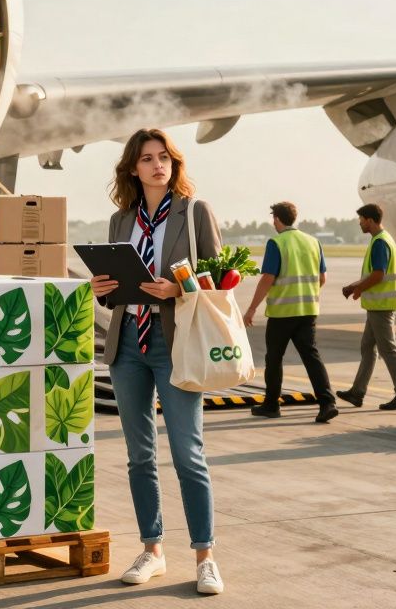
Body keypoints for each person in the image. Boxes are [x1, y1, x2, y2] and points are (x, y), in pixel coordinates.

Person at [90, 128, 225, 595]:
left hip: (176, 344)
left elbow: (223, 281)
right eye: (147, 158)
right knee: (139, 455)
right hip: (127, 343)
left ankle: (205, 556)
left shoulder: (194, 212)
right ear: (133, 168)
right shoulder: (120, 219)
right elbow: (116, 290)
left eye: (164, 157)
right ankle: (152, 549)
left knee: (188, 454)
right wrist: (101, 290)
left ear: (174, 163)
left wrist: (179, 289)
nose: (156, 165)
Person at [242, 201, 339, 423]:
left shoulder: (276, 243)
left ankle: (271, 405)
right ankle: (327, 403)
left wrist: (252, 308)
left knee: (274, 359)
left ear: (276, 219)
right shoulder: (313, 242)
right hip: (308, 310)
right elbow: (322, 278)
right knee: (311, 357)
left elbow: (268, 278)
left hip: (282, 312)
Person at [337, 203, 396, 410]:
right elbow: (373, 273)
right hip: (377, 305)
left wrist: (359, 289)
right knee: (367, 347)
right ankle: (357, 392)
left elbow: (379, 274)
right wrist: (355, 286)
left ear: (370, 220)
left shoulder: (380, 242)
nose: (359, 223)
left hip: (382, 305)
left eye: (361, 219)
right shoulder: (381, 240)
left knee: (388, 348)